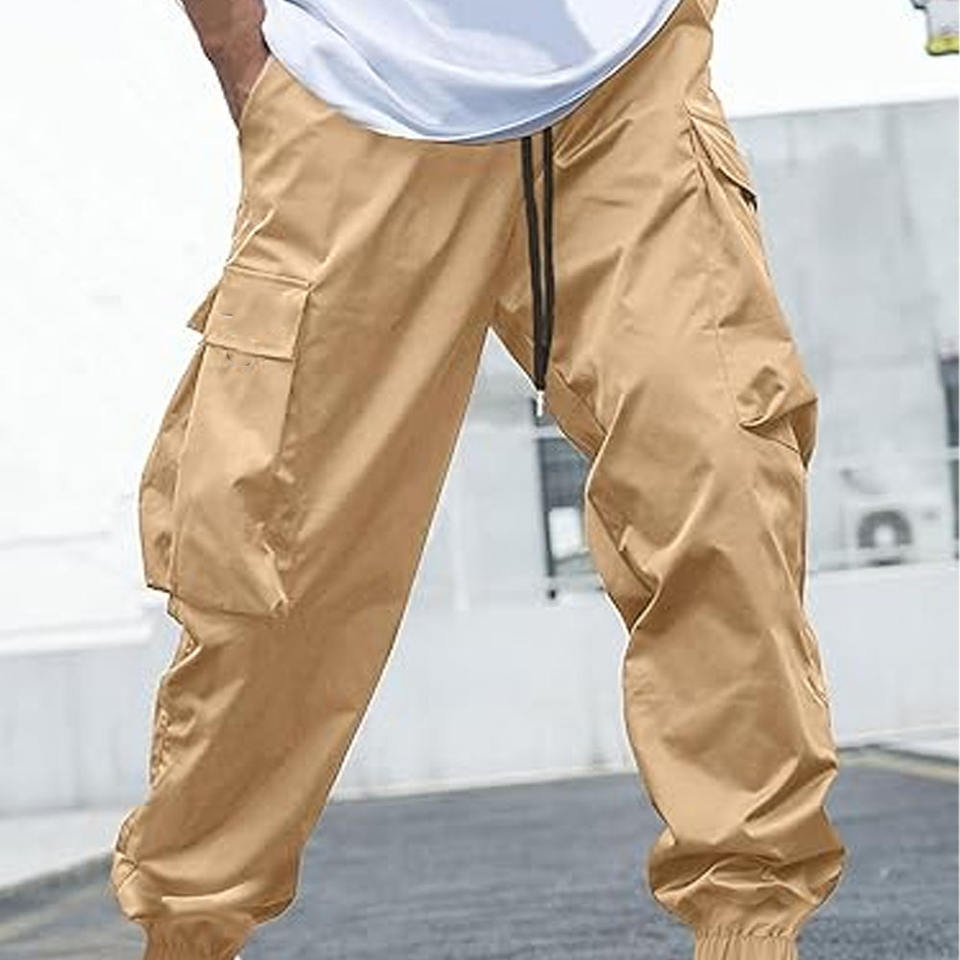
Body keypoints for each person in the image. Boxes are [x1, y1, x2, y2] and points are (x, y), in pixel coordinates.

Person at [109, 0, 848, 957]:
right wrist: (238, 51)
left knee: (722, 473)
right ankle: (188, 930)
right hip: (358, 93)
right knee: (274, 554)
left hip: (627, 80)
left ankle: (751, 926)